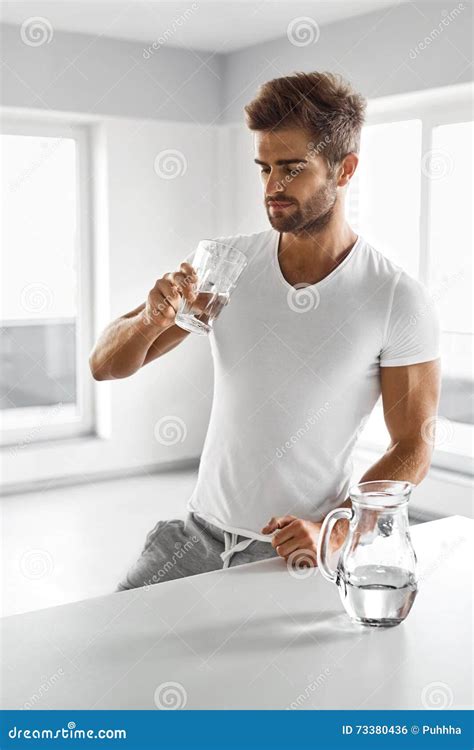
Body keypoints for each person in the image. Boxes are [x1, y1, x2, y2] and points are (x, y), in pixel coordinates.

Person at [89, 71, 441, 591]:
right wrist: (149, 320)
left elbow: (413, 444)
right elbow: (105, 366)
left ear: (344, 171)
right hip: (193, 539)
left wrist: (334, 530)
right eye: (265, 168)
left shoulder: (393, 296)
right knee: (110, 660)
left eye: (292, 169)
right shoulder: (224, 265)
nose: (273, 187)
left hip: (293, 553)